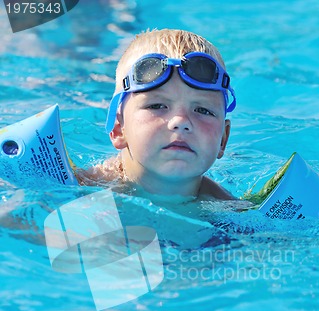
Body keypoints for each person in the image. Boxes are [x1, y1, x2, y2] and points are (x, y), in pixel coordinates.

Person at [77, 28, 237, 201]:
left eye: (203, 110)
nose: (181, 121)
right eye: (157, 105)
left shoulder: (234, 214)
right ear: (118, 129)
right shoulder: (81, 189)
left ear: (223, 139)